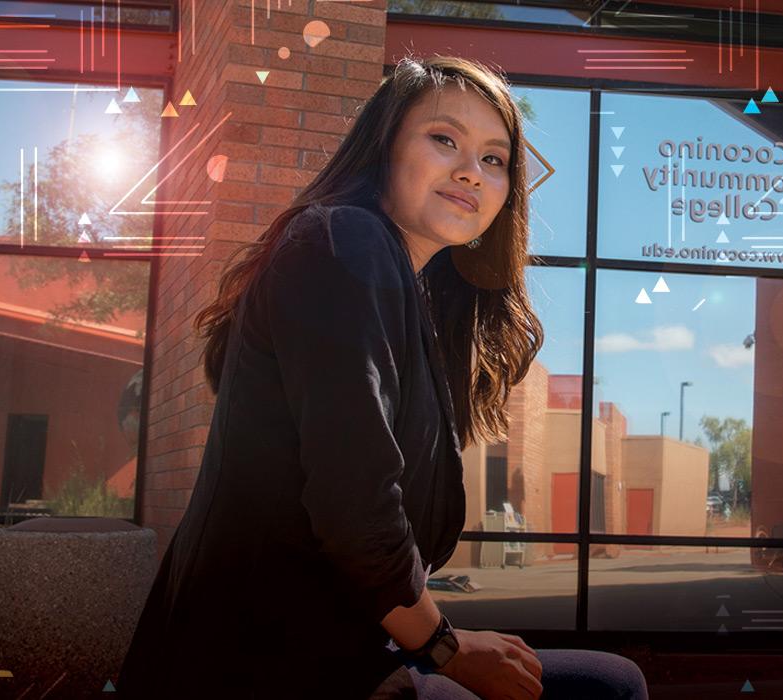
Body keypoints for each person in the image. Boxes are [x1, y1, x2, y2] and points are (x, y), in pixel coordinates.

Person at [115, 55, 649, 700]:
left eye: (494, 159)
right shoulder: (344, 242)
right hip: (258, 663)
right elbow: (355, 499)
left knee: (608, 680)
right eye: (444, 139)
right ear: (384, 148)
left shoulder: (406, 289)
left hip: (339, 643)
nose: (468, 171)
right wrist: (446, 647)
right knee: (606, 690)